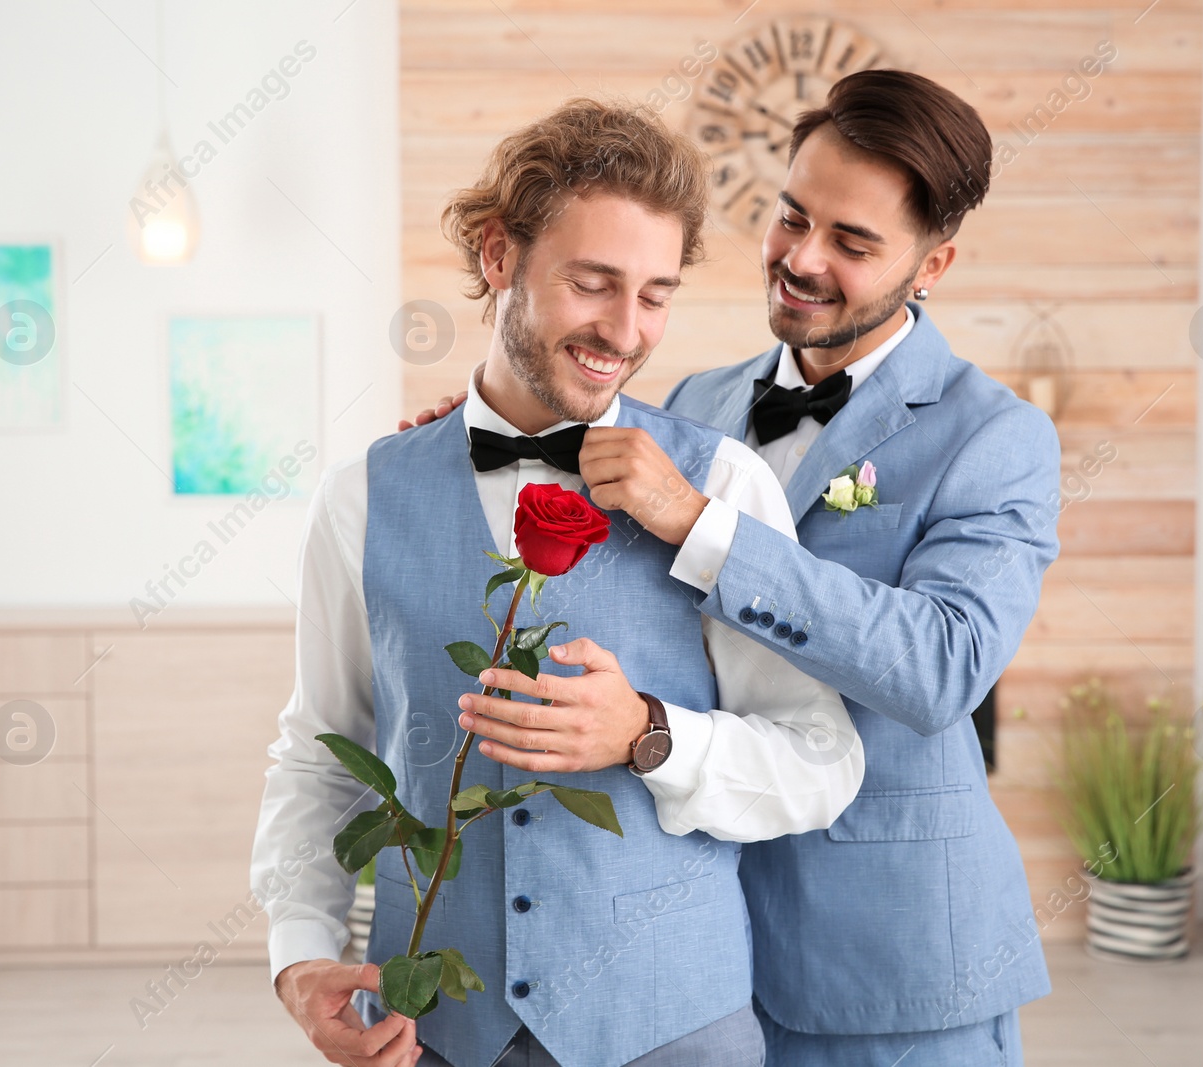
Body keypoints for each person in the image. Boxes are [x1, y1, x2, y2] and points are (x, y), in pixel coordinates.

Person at [407, 70, 1059, 1066]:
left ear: (933, 264)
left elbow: (942, 666)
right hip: (692, 971)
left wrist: (704, 524)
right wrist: (465, 442)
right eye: (793, 216)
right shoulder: (693, 404)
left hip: (897, 968)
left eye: (852, 241)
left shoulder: (996, 439)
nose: (801, 259)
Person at [251, 98, 862, 1067]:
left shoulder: (721, 486)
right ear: (499, 257)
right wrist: (299, 954)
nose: (625, 330)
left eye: (655, 294)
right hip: (431, 1028)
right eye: (592, 282)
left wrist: (649, 733)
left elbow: (821, 758)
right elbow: (323, 750)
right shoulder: (360, 496)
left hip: (675, 1027)